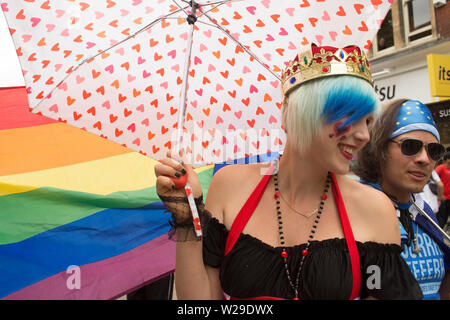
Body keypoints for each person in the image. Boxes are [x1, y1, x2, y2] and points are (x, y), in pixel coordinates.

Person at [155, 44, 422, 300]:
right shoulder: (230, 185)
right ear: (301, 112)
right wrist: (186, 217)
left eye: (368, 121)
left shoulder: (374, 209)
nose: (364, 135)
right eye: (351, 117)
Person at [356, 99, 449, 300]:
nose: (424, 159)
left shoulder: (423, 212)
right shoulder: (354, 212)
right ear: (378, 149)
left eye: (434, 150)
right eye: (410, 146)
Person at [436, 152, 450, 228]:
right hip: (443, 198)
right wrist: (440, 195)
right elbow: (433, 181)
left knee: (446, 217)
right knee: (441, 217)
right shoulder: (441, 168)